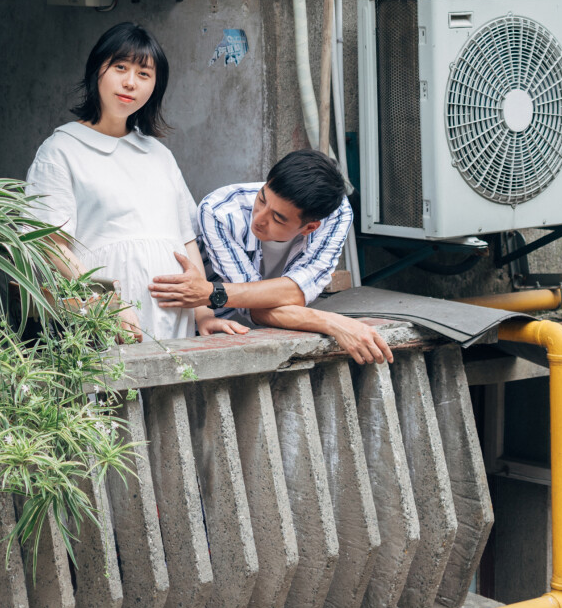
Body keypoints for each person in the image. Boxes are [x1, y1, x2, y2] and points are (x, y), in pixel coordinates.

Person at [24, 22, 246, 342]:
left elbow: (185, 239)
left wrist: (203, 313)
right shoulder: (61, 150)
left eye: (144, 74)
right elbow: (49, 242)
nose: (130, 82)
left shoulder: (159, 155)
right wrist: (105, 302)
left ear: (155, 86)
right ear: (96, 70)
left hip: (174, 318)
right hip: (106, 319)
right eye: (120, 67)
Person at [148, 150, 392, 364]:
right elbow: (253, 306)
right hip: (212, 329)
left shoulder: (336, 216)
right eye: (262, 198)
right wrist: (335, 323)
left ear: (310, 227)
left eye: (278, 218)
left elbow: (294, 292)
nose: (259, 218)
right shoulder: (220, 211)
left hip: (275, 331)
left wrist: (211, 291)